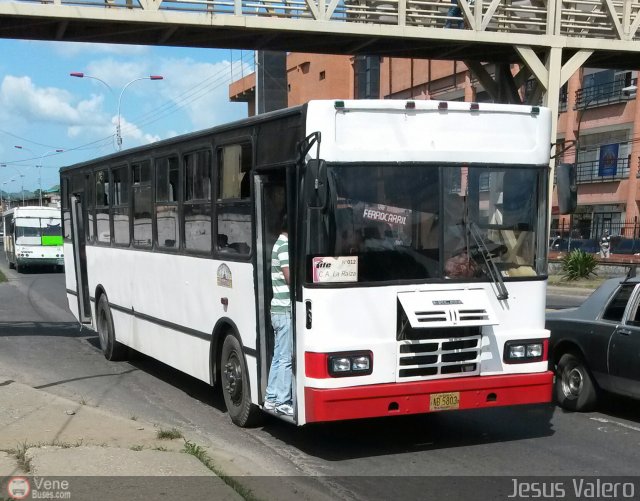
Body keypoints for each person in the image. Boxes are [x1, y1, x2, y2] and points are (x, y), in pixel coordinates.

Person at [264, 214, 294, 417]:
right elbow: (289, 276)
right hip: (284, 310)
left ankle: (271, 398)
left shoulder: (278, 244)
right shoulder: (284, 246)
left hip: (278, 309)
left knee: (278, 356)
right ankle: (283, 401)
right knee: (285, 358)